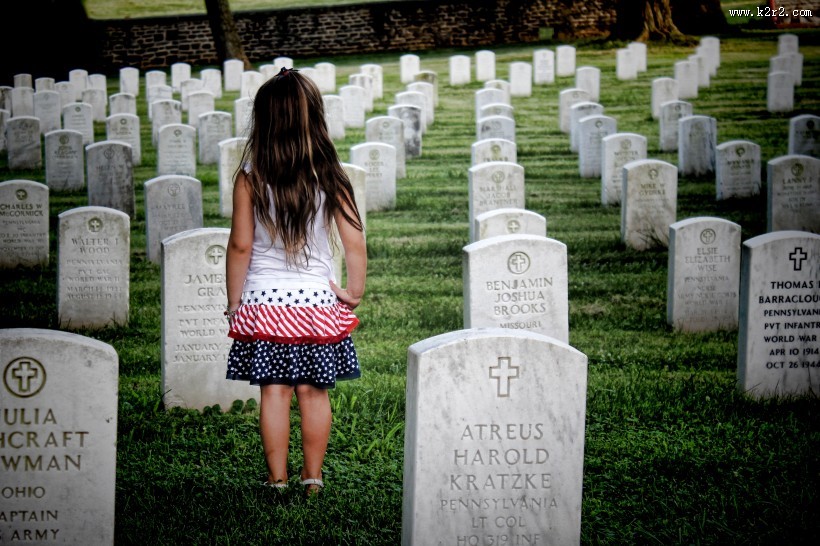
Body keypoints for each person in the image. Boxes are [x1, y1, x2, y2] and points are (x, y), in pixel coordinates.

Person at [224, 67, 366, 498]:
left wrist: (235, 303)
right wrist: (353, 291)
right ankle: (313, 479)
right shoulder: (331, 174)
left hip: (266, 303)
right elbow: (354, 240)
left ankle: (276, 480)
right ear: (315, 118)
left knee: (274, 390)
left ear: (264, 121)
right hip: (317, 304)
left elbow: (240, 247)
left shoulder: (250, 176)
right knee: (313, 390)